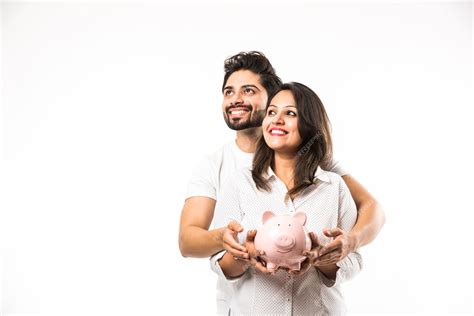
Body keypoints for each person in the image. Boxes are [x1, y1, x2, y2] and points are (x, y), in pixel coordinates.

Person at [179, 51, 384, 262]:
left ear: (273, 98)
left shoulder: (312, 159)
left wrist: (352, 241)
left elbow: (372, 208)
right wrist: (224, 238)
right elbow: (188, 241)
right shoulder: (214, 165)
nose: (236, 100)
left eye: (248, 91)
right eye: (228, 92)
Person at [211, 82, 362, 315]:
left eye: (290, 113)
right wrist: (243, 256)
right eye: (271, 112)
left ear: (310, 125)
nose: (276, 120)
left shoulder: (334, 188)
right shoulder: (239, 183)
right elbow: (219, 264)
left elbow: (354, 263)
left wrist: (323, 259)